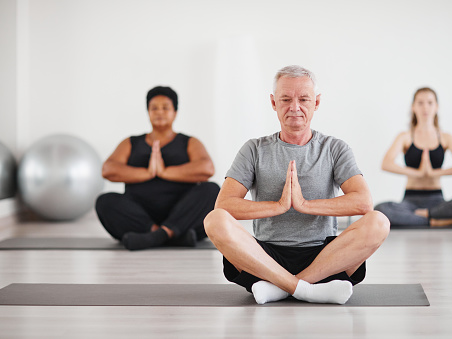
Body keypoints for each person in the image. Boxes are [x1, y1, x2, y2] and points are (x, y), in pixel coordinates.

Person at [204, 65, 390, 305]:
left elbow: (363, 202)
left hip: (324, 258)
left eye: (303, 99)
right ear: (273, 102)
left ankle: (281, 288)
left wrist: (304, 204)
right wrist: (279, 206)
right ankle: (306, 289)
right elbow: (225, 205)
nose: (295, 107)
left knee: (379, 222)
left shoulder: (334, 148)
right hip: (265, 257)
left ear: (316, 102)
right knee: (214, 220)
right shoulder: (254, 149)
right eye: (285, 99)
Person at [95, 86, 220, 250]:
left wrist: (164, 172)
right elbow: (108, 169)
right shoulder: (131, 142)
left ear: (175, 112)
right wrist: (148, 172)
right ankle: (169, 235)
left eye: (165, 108)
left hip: (183, 213)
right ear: (148, 112)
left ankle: (157, 236)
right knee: (105, 201)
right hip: (141, 214)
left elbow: (207, 168)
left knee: (211, 190)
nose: (159, 112)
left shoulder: (189, 142)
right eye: (154, 108)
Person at [375, 87, 452, 227]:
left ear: (436, 107)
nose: (425, 107)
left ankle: (428, 215)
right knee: (381, 210)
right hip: (410, 202)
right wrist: (418, 173)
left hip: (438, 201)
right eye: (420, 103)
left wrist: (433, 173)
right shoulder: (405, 137)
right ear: (413, 107)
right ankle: (434, 221)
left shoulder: (445, 137)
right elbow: (386, 163)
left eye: (430, 102)